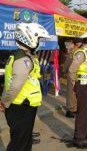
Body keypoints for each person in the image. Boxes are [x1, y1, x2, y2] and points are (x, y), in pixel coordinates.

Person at [0, 22, 50, 151]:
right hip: (20, 106)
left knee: (25, 140)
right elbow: (16, 85)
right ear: (29, 38)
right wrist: (5, 102)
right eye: (38, 39)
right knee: (19, 143)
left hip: (24, 104)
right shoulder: (23, 59)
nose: (39, 42)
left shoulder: (26, 56)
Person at [65, 38, 83, 118]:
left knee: (76, 93)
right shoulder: (72, 52)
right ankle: (69, 110)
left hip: (78, 75)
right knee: (71, 93)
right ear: (76, 43)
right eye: (79, 42)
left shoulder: (81, 51)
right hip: (71, 74)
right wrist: (67, 73)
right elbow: (67, 64)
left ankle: (75, 108)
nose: (80, 43)